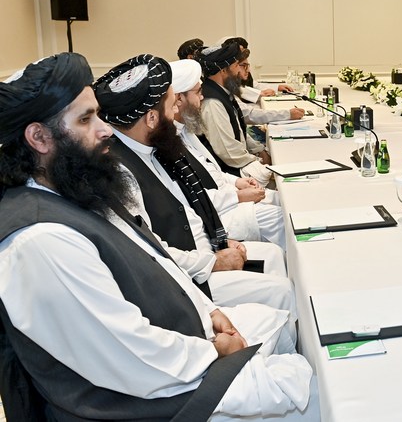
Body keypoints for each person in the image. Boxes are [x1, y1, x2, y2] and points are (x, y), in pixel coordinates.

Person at [0, 53, 316, 420]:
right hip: (144, 398)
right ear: (39, 137)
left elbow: (155, 256)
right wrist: (214, 351)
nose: (106, 130)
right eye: (86, 119)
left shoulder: (74, 188)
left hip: (175, 347)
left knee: (279, 325)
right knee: (305, 387)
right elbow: (125, 354)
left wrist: (208, 311)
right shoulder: (38, 239)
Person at [93, 55, 297, 316]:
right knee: (282, 292)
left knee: (274, 257)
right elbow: (148, 250)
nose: (175, 112)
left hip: (204, 249)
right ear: (152, 118)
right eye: (171, 105)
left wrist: (219, 240)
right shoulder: (121, 170)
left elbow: (185, 208)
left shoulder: (150, 148)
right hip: (186, 280)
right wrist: (212, 261)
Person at [171, 58, 288, 248]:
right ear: (178, 98)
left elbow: (208, 168)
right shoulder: (168, 140)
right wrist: (238, 195)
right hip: (218, 214)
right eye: (198, 92)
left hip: (226, 193)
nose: (202, 97)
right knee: (285, 218)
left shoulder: (184, 129)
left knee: (286, 197)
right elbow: (187, 197)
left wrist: (236, 183)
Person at [196, 44, 274, 185]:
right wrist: (257, 161)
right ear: (223, 70)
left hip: (239, 164)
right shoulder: (212, 102)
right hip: (229, 175)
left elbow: (238, 130)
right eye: (237, 65)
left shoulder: (223, 92)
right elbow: (228, 151)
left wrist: (259, 150)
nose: (240, 70)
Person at [219, 36, 304, 124]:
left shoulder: (229, 81)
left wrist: (276, 87)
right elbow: (247, 114)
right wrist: (286, 114)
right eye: (241, 64)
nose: (248, 70)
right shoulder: (222, 88)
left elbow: (252, 85)